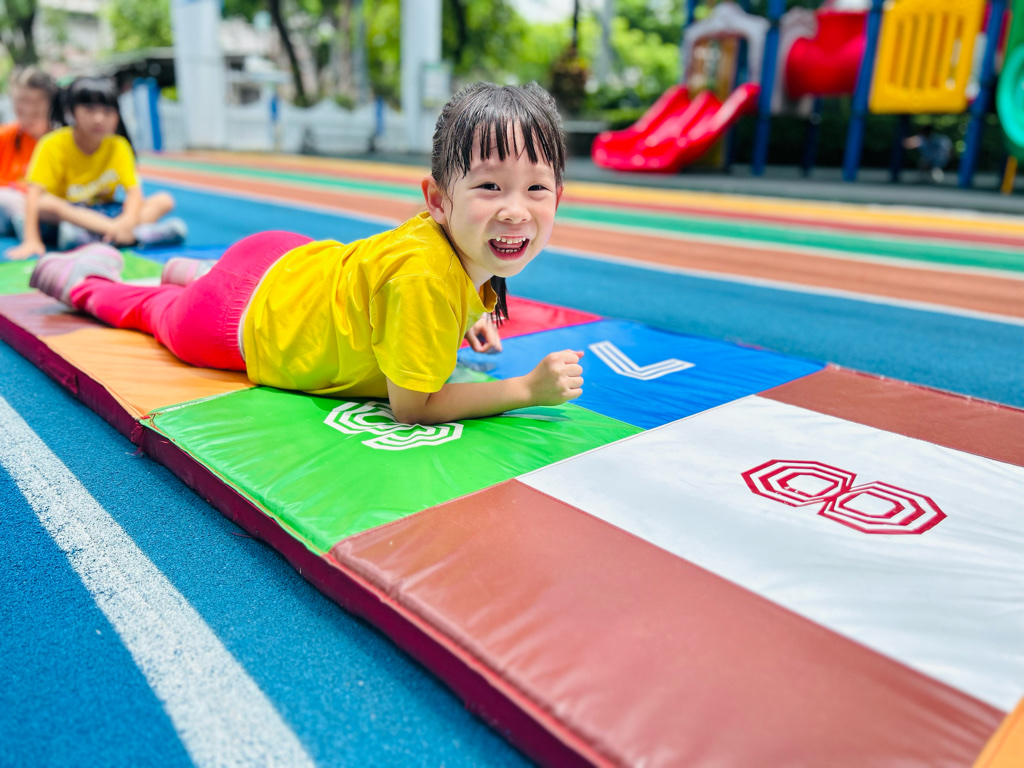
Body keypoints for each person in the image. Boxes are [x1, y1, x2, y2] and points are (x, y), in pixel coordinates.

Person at [27, 82, 585, 425]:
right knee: (149, 310)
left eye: (536, 188)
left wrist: (469, 317)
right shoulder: (425, 278)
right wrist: (525, 390)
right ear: (438, 200)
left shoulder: (446, 248)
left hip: (284, 257)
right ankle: (83, 280)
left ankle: (196, 272)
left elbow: (411, 284)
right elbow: (414, 408)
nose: (516, 210)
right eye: (490, 186)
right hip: (231, 320)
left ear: (557, 197)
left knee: (289, 281)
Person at [6, 76, 187, 260]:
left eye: (107, 111)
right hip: (72, 214)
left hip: (106, 211)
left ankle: (92, 237)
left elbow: (134, 193)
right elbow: (33, 195)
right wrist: (31, 240)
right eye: (90, 109)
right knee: (44, 204)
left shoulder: (118, 146)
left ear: (117, 116)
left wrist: (128, 221)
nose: (99, 118)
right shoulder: (52, 144)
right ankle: (135, 234)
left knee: (164, 200)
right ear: (72, 111)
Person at [0, 67, 58, 236]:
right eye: (20, 111)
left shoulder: (60, 142)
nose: (26, 119)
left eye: (36, 113)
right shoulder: (7, 135)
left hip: (48, 211)